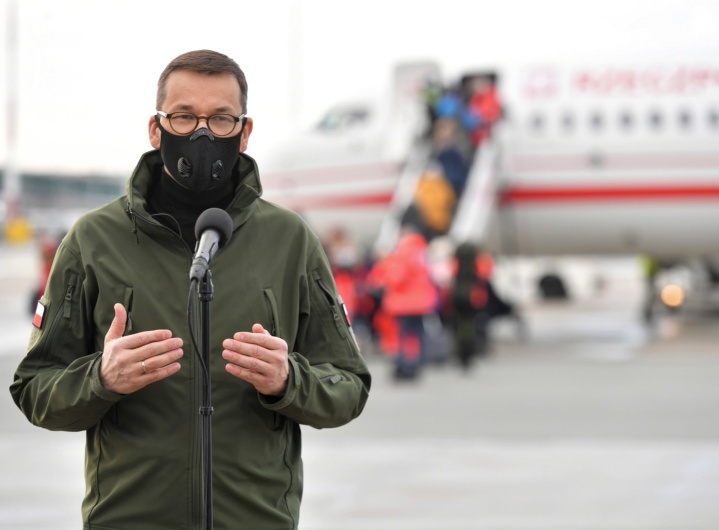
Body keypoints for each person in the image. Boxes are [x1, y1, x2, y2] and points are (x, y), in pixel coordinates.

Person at [9, 50, 371, 530]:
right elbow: (35, 389)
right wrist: (101, 378)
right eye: (183, 116)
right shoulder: (93, 240)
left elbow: (349, 386)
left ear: (244, 132)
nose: (202, 134)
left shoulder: (291, 240)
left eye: (221, 119)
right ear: (156, 129)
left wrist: (290, 381)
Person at [366, 228, 439, 380]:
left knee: (402, 335)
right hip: (422, 302)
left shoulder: (402, 253)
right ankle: (418, 362)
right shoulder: (422, 253)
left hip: (403, 303)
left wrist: (382, 283)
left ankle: (404, 365)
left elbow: (396, 277)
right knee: (418, 333)